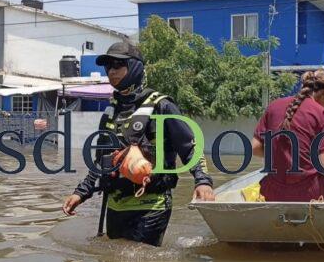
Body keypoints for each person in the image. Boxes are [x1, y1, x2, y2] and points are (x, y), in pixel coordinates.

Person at [62, 42, 214, 246]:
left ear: (134, 67)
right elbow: (101, 161)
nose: (112, 71)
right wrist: (81, 193)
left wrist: (203, 181)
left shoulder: (162, 106)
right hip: (115, 206)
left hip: (151, 206)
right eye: (108, 66)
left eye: (118, 65)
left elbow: (190, 147)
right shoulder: (111, 112)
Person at [252, 70, 324, 202]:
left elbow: (255, 148)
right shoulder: (323, 114)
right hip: (311, 193)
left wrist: (280, 155)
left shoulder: (273, 106)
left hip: (274, 193)